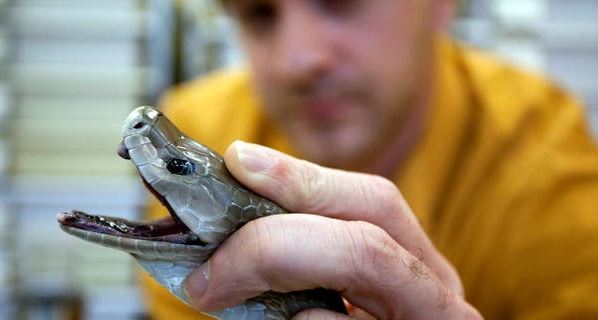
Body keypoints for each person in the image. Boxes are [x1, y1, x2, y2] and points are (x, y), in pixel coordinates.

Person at [142, 0, 598, 319]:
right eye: (259, 12)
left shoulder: (543, 162)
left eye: (341, 1)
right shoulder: (197, 141)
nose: (298, 61)